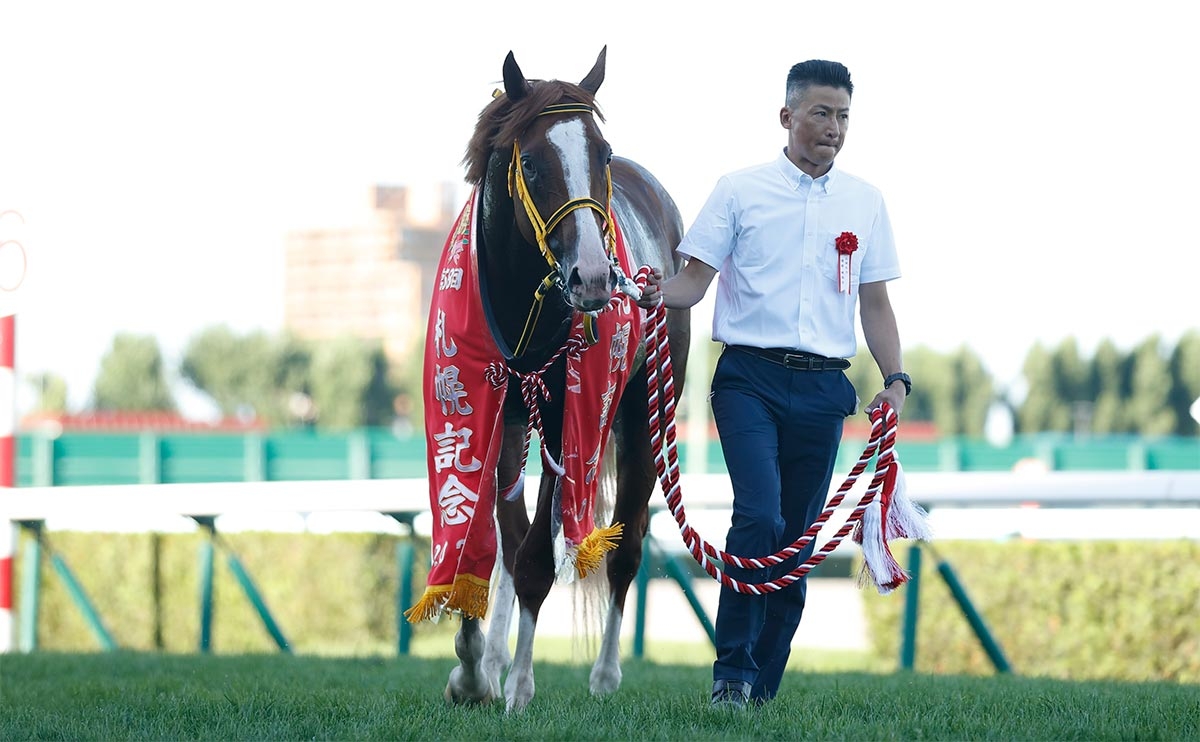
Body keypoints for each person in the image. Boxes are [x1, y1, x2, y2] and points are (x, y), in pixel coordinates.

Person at [637, 59, 910, 709]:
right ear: (786, 117)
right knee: (758, 515)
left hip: (824, 390)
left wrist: (896, 380)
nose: (834, 128)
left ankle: (761, 688)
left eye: (843, 116)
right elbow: (691, 285)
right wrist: (648, 292)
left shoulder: (866, 201)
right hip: (748, 381)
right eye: (821, 113)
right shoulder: (738, 190)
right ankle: (730, 671)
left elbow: (875, 304)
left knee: (796, 540)